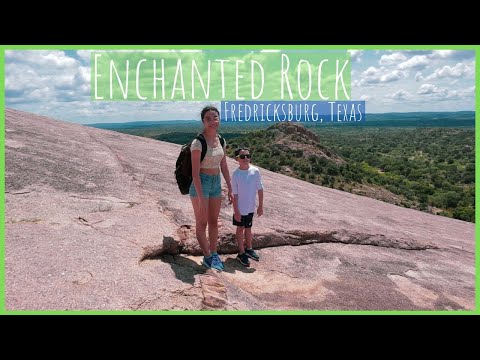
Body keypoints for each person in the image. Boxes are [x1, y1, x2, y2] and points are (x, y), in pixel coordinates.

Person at [190, 105, 233, 271]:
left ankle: (213, 253)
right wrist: (200, 197)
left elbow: (224, 165)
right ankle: (207, 257)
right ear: (203, 121)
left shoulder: (221, 140)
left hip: (216, 182)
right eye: (208, 118)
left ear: (219, 119)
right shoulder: (197, 143)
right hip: (201, 182)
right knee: (202, 222)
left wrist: (229, 187)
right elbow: (194, 174)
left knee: (214, 221)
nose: (212, 121)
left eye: (215, 117)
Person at [231, 147, 264, 267]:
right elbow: (234, 195)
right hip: (240, 208)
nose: (246, 158)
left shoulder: (255, 171)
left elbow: (260, 189)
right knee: (240, 229)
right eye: (242, 156)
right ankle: (241, 252)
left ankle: (249, 248)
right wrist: (236, 211)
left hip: (250, 207)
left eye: (248, 156)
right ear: (237, 159)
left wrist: (260, 205)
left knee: (248, 228)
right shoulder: (236, 174)